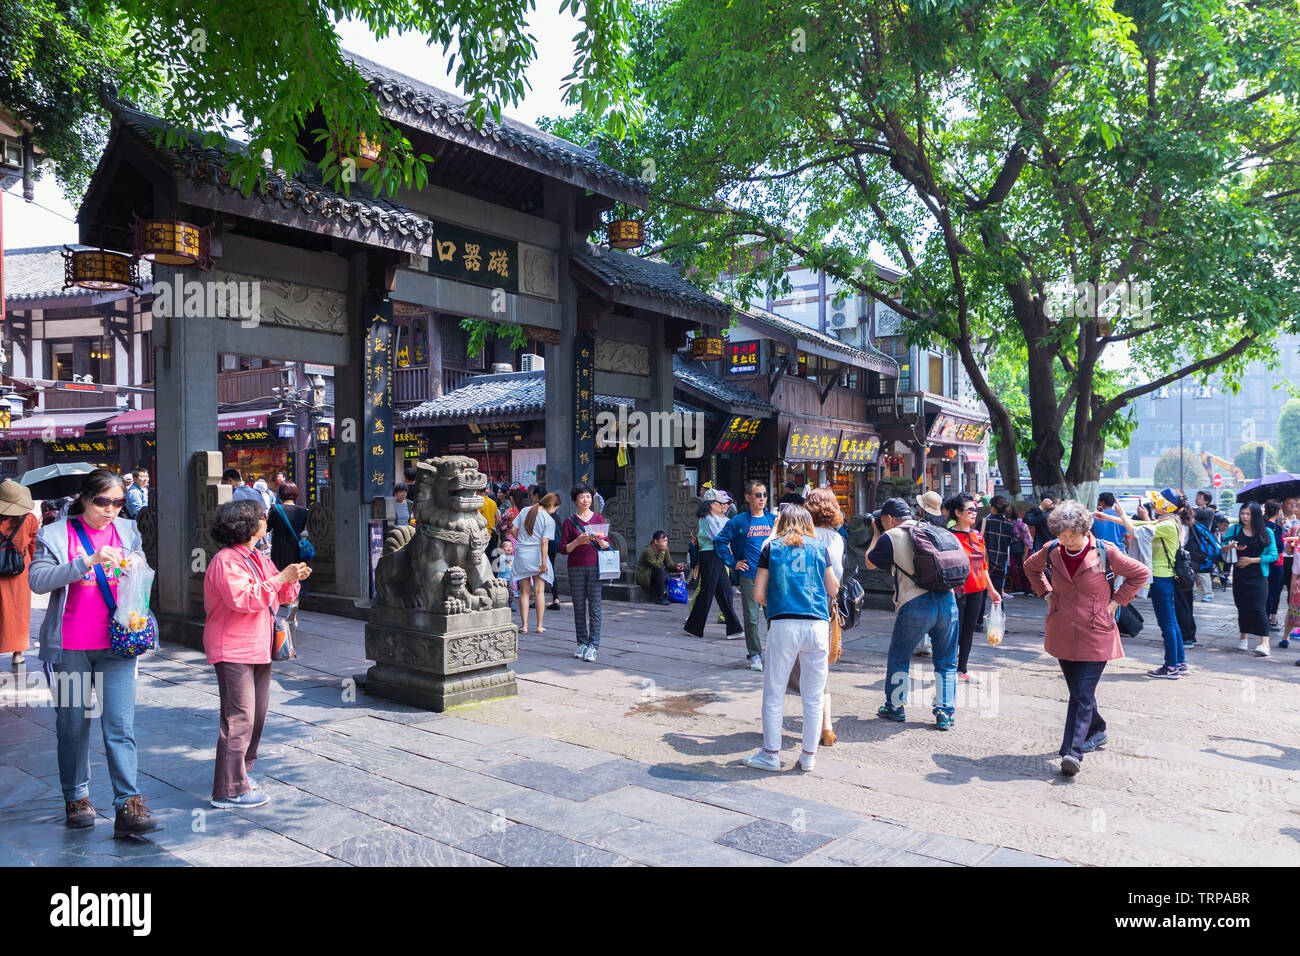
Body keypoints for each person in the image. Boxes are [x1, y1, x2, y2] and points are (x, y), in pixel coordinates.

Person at [28, 469, 162, 836]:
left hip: (118, 644)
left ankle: (127, 805)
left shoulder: (127, 531)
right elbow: (38, 580)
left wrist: (135, 566)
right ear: (84, 499)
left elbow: (141, 575)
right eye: (103, 501)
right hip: (70, 648)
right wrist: (85, 563)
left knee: (120, 725)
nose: (111, 509)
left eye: (118, 502)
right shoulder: (55, 534)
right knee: (72, 725)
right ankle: (76, 796)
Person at [1021, 500, 1151, 775]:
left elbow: (1140, 573)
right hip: (1062, 628)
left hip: (1096, 631)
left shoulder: (1106, 551)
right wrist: (1045, 593)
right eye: (1062, 534)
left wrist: (1118, 601)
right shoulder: (1052, 550)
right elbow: (1030, 569)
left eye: (1072, 534)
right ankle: (1098, 729)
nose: (1067, 540)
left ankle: (1073, 752)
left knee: (1080, 693)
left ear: (1084, 530)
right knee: (1079, 692)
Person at [204, 499, 309, 809]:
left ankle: (242, 774)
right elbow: (243, 598)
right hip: (233, 646)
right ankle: (229, 789)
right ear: (247, 525)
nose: (266, 521)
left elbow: (279, 593)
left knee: (258, 716)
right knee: (240, 718)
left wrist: (293, 579)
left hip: (258, 645)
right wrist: (281, 579)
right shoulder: (226, 561)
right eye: (262, 518)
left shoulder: (257, 557)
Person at [740, 504, 838, 773]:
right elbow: (833, 587)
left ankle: (771, 754)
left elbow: (758, 594)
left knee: (774, 692)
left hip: (783, 624)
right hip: (817, 625)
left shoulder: (772, 549)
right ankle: (808, 757)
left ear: (782, 523)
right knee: (813, 695)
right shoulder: (820, 548)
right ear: (808, 523)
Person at [865, 497, 961, 730]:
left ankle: (895, 706)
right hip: (948, 600)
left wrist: (876, 533)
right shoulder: (931, 528)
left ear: (888, 519)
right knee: (946, 660)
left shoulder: (890, 536)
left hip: (915, 603)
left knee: (900, 655)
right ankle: (944, 712)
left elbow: (869, 562)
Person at [1095, 488, 1191, 676]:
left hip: (1162, 578)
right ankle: (1179, 663)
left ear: (1167, 505)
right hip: (1165, 577)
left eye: (1158, 501)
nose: (1154, 504)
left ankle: (1171, 666)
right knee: (1172, 622)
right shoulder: (1168, 521)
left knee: (1167, 624)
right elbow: (1137, 523)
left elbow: (1137, 531)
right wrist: (1109, 518)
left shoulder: (1167, 524)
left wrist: (1120, 515)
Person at [713, 480, 777, 671]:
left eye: (765, 495)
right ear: (748, 497)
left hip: (771, 575)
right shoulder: (739, 521)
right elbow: (720, 541)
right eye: (758, 495)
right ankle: (755, 654)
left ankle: (775, 653)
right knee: (751, 618)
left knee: (774, 617)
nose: (762, 499)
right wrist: (733, 562)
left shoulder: (772, 520)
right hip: (749, 575)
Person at [803, 488, 846, 745]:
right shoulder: (835, 539)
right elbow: (837, 579)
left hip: (797, 606)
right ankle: (826, 726)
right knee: (820, 670)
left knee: (786, 671)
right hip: (824, 608)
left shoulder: (797, 537)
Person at [946, 492, 1002, 683]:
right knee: (955, 631)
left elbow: (983, 566)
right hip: (957, 590)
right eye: (970, 510)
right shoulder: (949, 536)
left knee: (969, 629)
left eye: (975, 510)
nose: (973, 513)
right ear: (957, 512)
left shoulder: (977, 535)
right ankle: (948, 668)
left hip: (978, 589)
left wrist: (993, 590)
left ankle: (963, 670)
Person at [560, 483, 613, 662]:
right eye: (582, 497)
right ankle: (582, 642)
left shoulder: (598, 518)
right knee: (579, 606)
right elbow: (563, 549)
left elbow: (607, 544)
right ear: (575, 500)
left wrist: (602, 542)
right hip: (575, 566)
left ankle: (593, 645)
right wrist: (577, 541)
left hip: (595, 566)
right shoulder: (569, 521)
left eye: (588, 496)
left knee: (595, 607)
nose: (586, 500)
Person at [682, 488, 744, 640]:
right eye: (719, 503)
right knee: (707, 592)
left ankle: (733, 628)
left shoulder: (715, 518)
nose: (723, 506)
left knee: (724, 592)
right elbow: (718, 537)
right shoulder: (706, 519)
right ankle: (694, 627)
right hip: (710, 556)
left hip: (716, 556)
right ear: (711, 504)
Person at [1223, 502, 1276, 656]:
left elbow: (1273, 555)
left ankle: (1265, 643)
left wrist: (1252, 560)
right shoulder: (1235, 529)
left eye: (1248, 514)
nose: (1244, 517)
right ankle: (1243, 638)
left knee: (1259, 608)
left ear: (1256, 515)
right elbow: (1220, 546)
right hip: (1240, 574)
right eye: (1242, 513)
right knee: (1242, 606)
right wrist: (1231, 546)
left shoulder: (1266, 532)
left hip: (1259, 575)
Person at [0, 480, 39, 666]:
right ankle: (18, 652)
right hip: (20, 569)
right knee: (19, 611)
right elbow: (34, 545)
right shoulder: (29, 518)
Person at [512, 492, 559, 633]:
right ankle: (539, 626)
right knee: (539, 591)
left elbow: (514, 530)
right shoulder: (548, 520)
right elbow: (544, 542)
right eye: (556, 508)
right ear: (552, 506)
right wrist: (544, 563)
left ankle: (524, 626)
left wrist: (521, 541)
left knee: (524, 593)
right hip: (537, 555)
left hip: (522, 554)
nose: (555, 511)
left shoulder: (525, 510)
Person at [267, 482, 309, 624]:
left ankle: (275, 612)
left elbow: (267, 528)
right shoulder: (303, 512)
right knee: (295, 578)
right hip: (295, 548)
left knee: (278, 576)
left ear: (280, 494)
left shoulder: (275, 509)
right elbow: (302, 529)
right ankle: (293, 608)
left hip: (279, 548)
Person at [980, 495, 1015, 604]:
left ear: (992, 507)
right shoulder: (1009, 525)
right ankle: (999, 617)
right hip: (1000, 563)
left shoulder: (985, 522)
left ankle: (979, 619)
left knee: (981, 594)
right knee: (998, 594)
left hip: (985, 563)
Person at [636, 531, 683, 605]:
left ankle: (670, 593)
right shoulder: (648, 550)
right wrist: (662, 552)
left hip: (654, 575)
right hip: (645, 576)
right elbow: (657, 565)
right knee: (659, 570)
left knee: (668, 569)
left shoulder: (665, 549)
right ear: (656, 541)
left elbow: (669, 564)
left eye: (666, 541)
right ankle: (660, 597)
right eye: (663, 541)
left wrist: (677, 566)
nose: (665, 543)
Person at [1187, 507, 1220, 604]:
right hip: (1201, 552)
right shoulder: (1202, 527)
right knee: (1201, 573)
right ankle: (1206, 593)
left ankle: (1195, 593)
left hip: (1196, 551)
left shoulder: (1195, 524)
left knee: (1195, 573)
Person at [1264, 500, 1286, 630]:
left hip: (1267, 563)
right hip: (1275, 563)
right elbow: (1278, 546)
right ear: (1278, 512)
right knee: (1272, 592)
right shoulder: (1273, 528)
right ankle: (1266, 620)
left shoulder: (1263, 525)